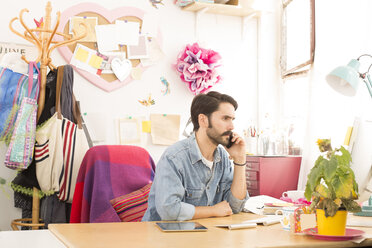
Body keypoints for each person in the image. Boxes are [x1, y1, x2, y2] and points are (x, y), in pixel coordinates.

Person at [142, 91, 248, 221]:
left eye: (232, 119)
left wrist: (240, 160)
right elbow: (168, 210)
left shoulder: (223, 158)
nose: (232, 126)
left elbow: (235, 206)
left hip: (204, 234)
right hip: (164, 236)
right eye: (225, 118)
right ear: (203, 120)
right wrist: (213, 211)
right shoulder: (174, 157)